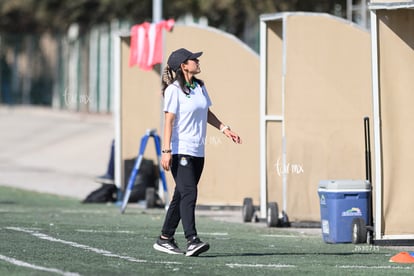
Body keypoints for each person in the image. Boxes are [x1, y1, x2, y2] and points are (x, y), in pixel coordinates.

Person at [153, 48, 242, 257]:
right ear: (184, 66)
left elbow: (207, 112)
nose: (197, 61)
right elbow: (169, 121)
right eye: (193, 59)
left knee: (181, 194)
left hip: (198, 151)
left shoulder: (200, 86)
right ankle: (192, 240)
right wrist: (166, 151)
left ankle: (165, 238)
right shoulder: (173, 90)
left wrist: (224, 129)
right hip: (179, 150)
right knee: (190, 193)